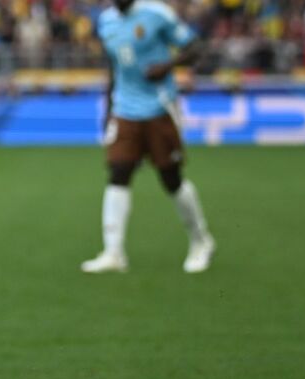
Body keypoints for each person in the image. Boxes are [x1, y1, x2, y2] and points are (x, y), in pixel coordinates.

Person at [82, 0, 215, 274]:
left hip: (159, 106)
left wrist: (168, 66)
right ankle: (114, 252)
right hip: (125, 109)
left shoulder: (156, 14)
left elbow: (195, 47)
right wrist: (108, 109)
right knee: (118, 171)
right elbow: (113, 67)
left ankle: (201, 241)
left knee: (171, 178)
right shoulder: (106, 21)